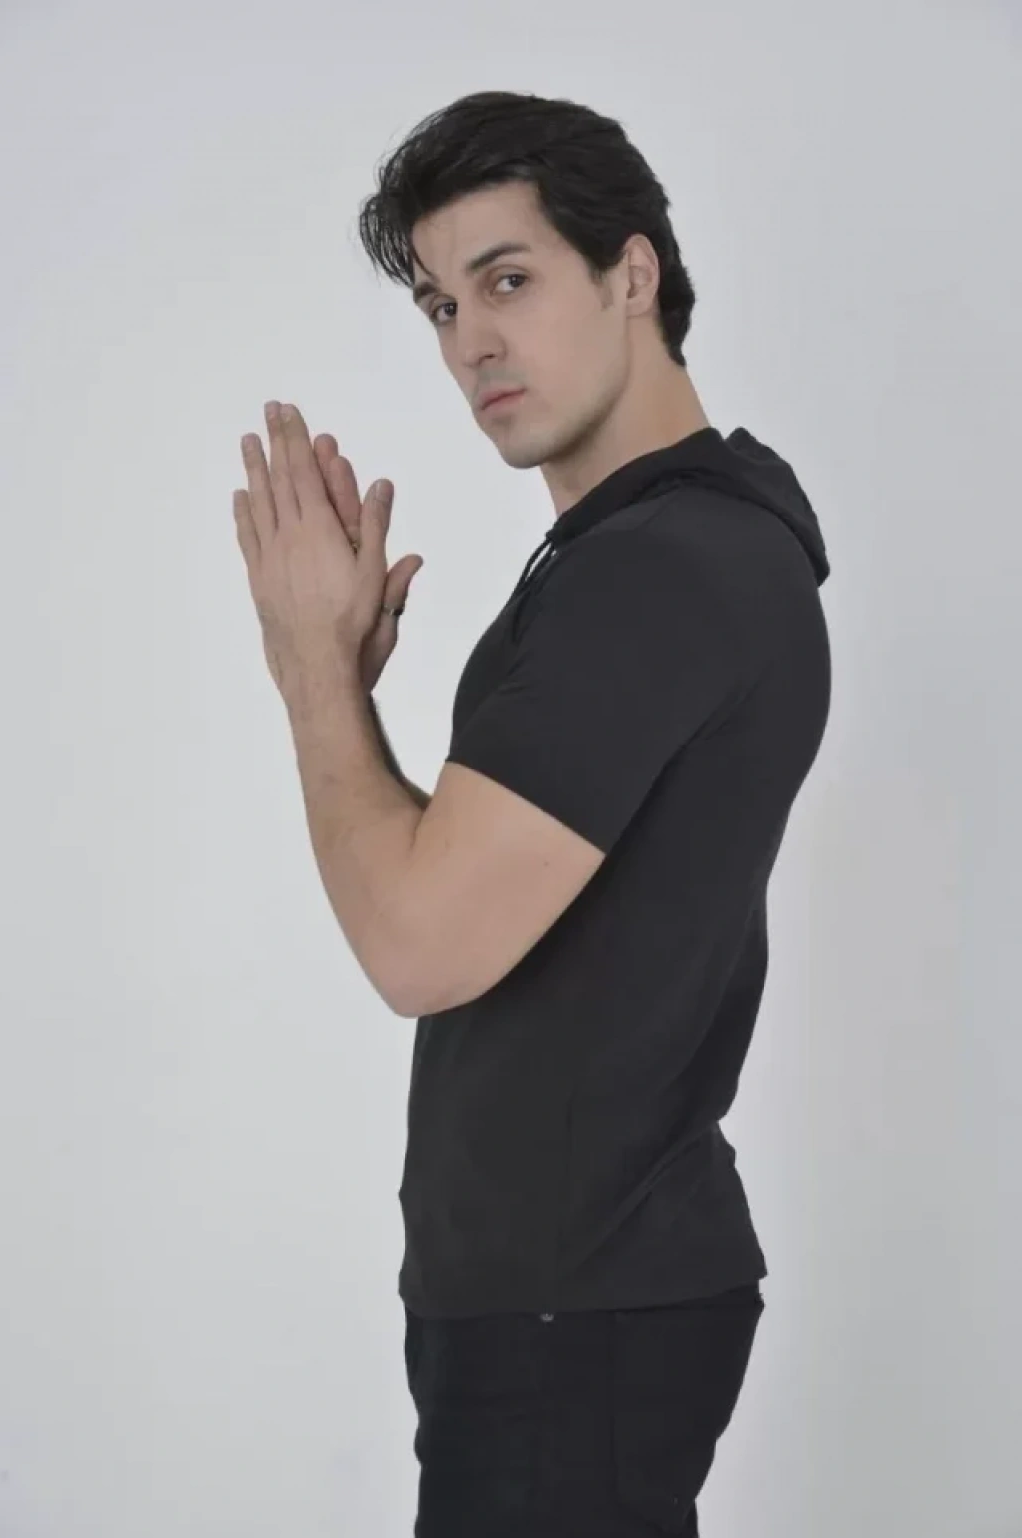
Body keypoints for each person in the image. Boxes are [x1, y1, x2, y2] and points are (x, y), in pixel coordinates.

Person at [352, 89, 832, 1536]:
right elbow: (468, 894)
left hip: (578, 1314)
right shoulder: (653, 547)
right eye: (442, 305)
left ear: (632, 274)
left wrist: (311, 677)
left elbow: (418, 943)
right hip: (571, 1301)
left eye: (507, 280)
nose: (470, 344)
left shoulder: (661, 570)